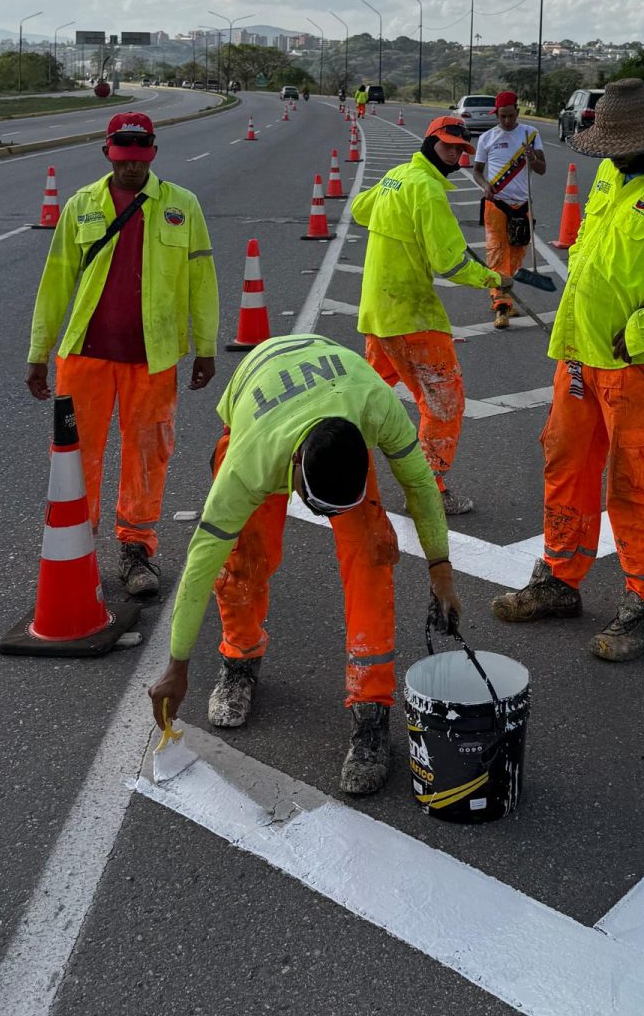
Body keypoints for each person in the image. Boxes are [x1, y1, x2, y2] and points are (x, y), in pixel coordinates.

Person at [148, 333, 461, 797]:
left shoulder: (377, 405)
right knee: (241, 561)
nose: (326, 520)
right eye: (316, 506)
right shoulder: (248, 465)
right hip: (261, 402)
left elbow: (419, 484)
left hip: (337, 393)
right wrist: (177, 664)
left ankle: (372, 710)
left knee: (373, 553)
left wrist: (441, 568)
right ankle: (240, 658)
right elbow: (200, 560)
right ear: (294, 468)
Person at [492, 78, 644, 661]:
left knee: (637, 483)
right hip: (578, 353)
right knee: (565, 464)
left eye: (618, 147)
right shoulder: (611, 175)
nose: (610, 156)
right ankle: (559, 579)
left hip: (637, 364)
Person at [26, 111, 218, 598]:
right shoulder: (81, 205)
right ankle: (76, 548)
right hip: (84, 356)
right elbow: (55, 282)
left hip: (151, 359)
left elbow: (202, 281)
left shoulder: (182, 206)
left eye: (140, 157)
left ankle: (137, 549)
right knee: (75, 458)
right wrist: (39, 351)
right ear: (108, 153)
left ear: (152, 154)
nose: (131, 167)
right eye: (122, 157)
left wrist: (206, 347)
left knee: (148, 456)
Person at [351, 114, 509, 518]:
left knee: (366, 403)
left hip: (378, 313)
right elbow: (450, 263)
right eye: (449, 145)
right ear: (430, 142)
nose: (455, 154)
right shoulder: (427, 190)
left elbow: (360, 210)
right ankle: (429, 491)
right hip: (411, 317)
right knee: (444, 404)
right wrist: (496, 279)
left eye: (461, 149)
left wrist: (403, 227)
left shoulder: (397, 177)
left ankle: (338, 469)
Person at [471, 89, 546, 329]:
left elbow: (542, 168)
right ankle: (501, 307)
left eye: (510, 116)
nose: (506, 121)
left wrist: (532, 157)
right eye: (501, 116)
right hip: (496, 204)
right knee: (496, 254)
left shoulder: (530, 135)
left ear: (517, 112)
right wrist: (485, 187)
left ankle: (506, 297)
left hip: (522, 206)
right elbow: (477, 171)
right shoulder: (487, 138)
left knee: (515, 256)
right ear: (497, 114)